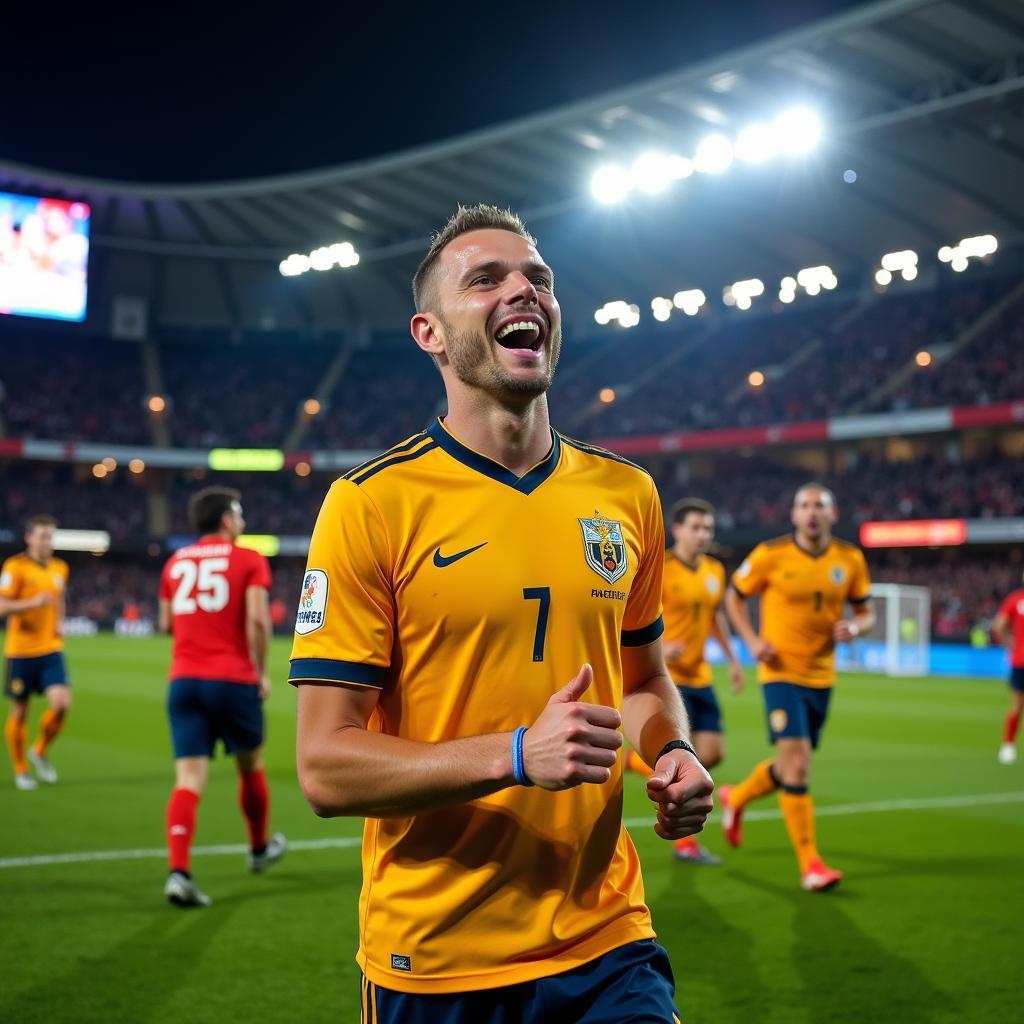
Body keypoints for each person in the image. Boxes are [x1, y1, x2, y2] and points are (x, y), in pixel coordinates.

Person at [292, 205, 713, 1023]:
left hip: (608, 940)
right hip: (439, 960)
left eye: (539, 279)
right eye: (485, 279)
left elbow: (645, 678)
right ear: (431, 334)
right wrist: (518, 753)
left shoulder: (628, 495)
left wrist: (674, 751)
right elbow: (324, 767)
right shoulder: (370, 506)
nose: (524, 289)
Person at [723, 484, 873, 892]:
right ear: (793, 514)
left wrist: (856, 627)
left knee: (789, 764)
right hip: (779, 673)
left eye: (819, 506)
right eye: (804, 505)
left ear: (833, 514)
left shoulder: (850, 559)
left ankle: (735, 799)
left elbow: (866, 611)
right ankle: (810, 863)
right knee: (800, 764)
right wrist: (752, 642)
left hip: (822, 676)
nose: (811, 512)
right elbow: (733, 597)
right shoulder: (770, 555)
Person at [158, 487, 286, 907]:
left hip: (184, 680)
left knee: (188, 780)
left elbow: (165, 624)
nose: (243, 521)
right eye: (240, 513)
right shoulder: (248, 558)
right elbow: (257, 621)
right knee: (250, 765)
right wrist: (260, 672)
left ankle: (178, 872)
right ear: (227, 520)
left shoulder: (175, 562)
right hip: (231, 679)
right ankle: (258, 848)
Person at [625, 497, 744, 865]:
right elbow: (632, 612)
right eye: (695, 527)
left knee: (713, 753)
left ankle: (632, 762)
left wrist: (733, 658)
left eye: (707, 528)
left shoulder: (713, 570)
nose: (702, 534)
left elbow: (714, 617)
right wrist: (660, 648)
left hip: (701, 675)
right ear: (676, 530)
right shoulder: (660, 567)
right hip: (669, 680)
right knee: (689, 762)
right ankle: (685, 844)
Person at [1, 514, 69, 790]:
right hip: (20, 651)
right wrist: (31, 602)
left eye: (50, 536)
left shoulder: (60, 568)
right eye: (42, 536)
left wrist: (60, 620)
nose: (47, 541)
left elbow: (59, 599)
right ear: (29, 538)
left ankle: (39, 750)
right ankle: (21, 769)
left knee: (62, 705)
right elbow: (2, 606)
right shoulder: (15, 567)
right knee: (20, 712)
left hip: (50, 648)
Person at [992, 572, 1024, 765]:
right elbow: (1000, 625)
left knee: (1017, 705)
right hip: (1020, 660)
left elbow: (999, 625)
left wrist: (1009, 643)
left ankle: (1008, 746)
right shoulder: (1015, 599)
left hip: (1020, 660)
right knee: (1017, 705)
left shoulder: (1016, 599)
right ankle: (1008, 745)